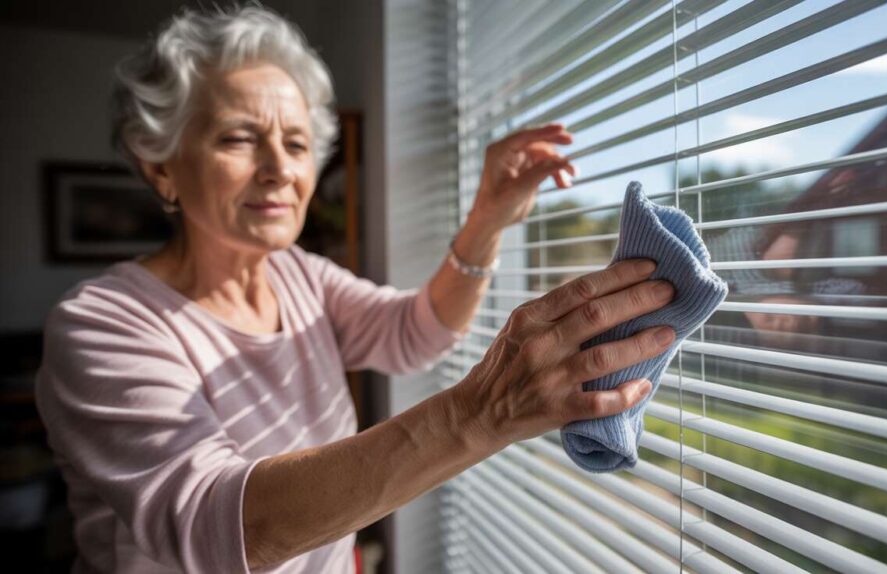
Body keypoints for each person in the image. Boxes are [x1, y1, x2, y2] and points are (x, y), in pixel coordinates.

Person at [34, 5, 676, 573]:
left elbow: (414, 333)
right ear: (161, 165)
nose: (280, 168)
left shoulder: (301, 274)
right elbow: (221, 532)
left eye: (297, 143)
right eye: (238, 138)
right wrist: (482, 411)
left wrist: (485, 221)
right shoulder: (102, 324)